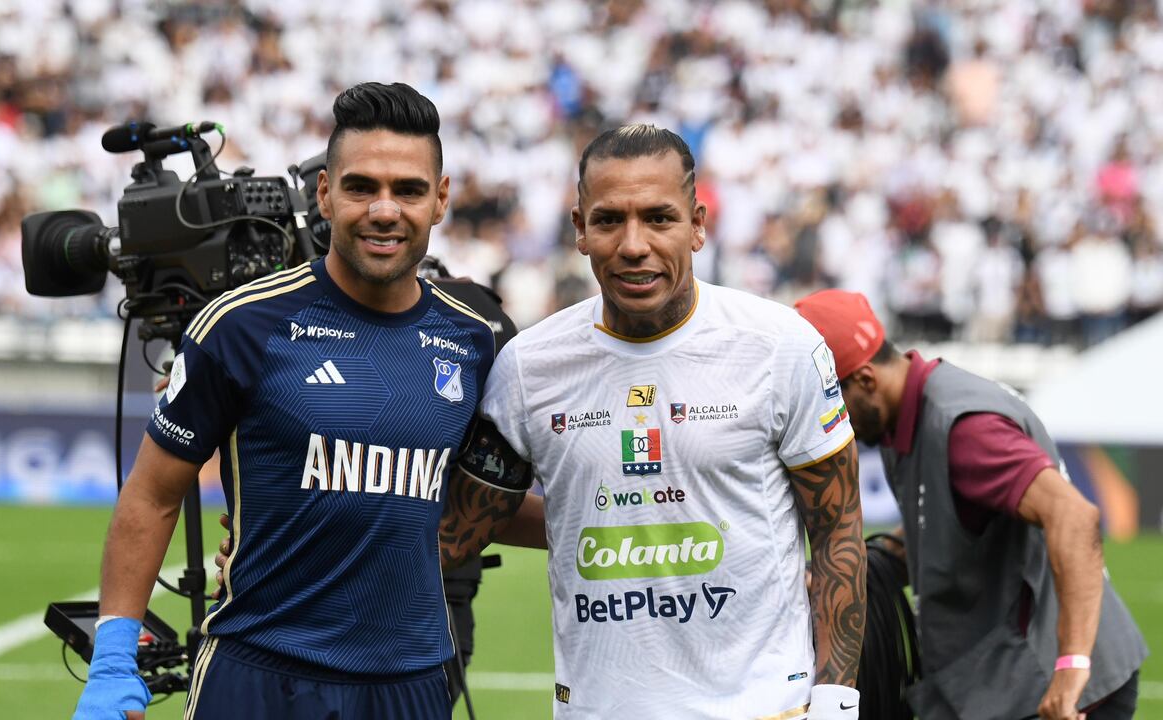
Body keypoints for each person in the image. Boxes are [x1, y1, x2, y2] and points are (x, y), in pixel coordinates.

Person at [72, 82, 500, 720]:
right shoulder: (241, 324)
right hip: (259, 676)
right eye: (362, 187)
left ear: (440, 199)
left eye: (408, 189)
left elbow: (479, 499)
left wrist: (614, 521)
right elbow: (153, 493)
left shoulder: (472, 339)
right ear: (325, 192)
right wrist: (111, 660)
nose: (386, 210)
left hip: (411, 684)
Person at [440, 124, 867, 719]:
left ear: (697, 224)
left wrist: (837, 703)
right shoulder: (528, 369)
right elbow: (456, 533)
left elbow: (837, 526)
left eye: (659, 218)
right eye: (610, 220)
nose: (634, 244)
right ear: (580, 230)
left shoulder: (779, 346)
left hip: (767, 708)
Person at [794, 289, 1147, 720]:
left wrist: (1072, 667)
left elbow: (1073, 515)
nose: (823, 419)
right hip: (989, 677)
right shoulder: (897, 414)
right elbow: (949, 525)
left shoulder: (965, 428)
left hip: (1056, 689)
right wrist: (844, 569)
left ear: (866, 380)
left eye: (829, 401)